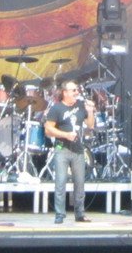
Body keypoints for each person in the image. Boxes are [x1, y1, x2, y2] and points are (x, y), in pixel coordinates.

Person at [44, 81, 96, 224]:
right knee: (60, 182)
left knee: (80, 183)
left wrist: (90, 111)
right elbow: (48, 130)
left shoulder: (80, 105)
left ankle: (80, 214)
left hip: (78, 149)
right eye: (73, 90)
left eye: (77, 90)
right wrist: (65, 135)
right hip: (62, 148)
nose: (76, 92)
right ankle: (60, 214)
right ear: (65, 92)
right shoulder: (57, 108)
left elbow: (90, 125)